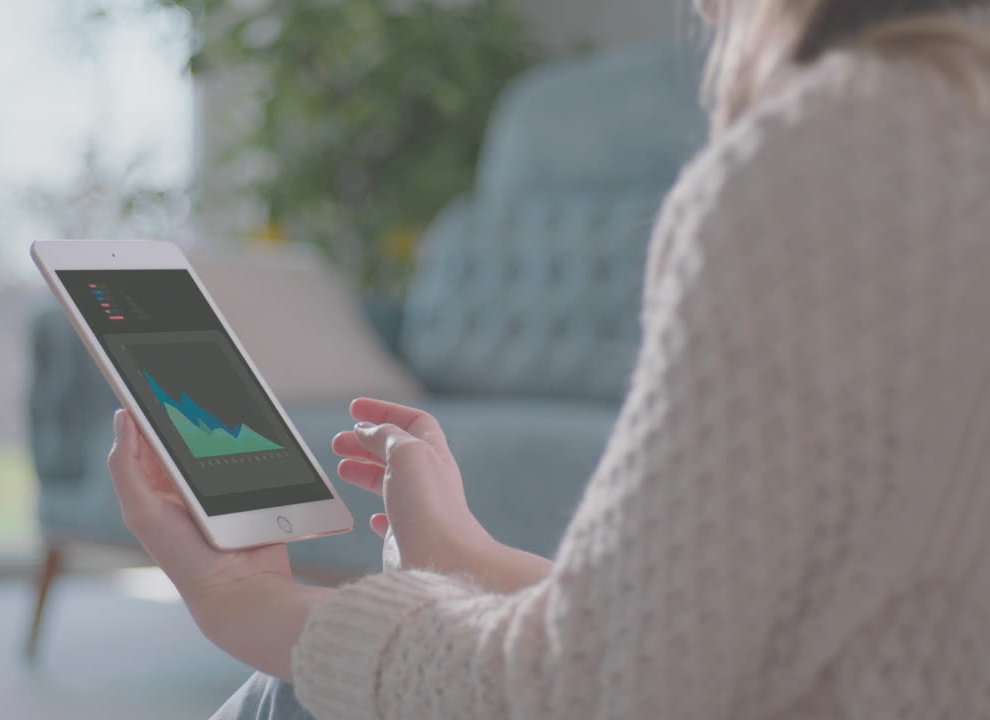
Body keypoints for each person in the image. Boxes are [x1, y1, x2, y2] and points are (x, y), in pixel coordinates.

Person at [106, 0, 990, 717]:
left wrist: (244, 601)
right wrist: (463, 553)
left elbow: (595, 692)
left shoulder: (824, 163)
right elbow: (713, 645)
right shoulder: (949, 122)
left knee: (295, 698)